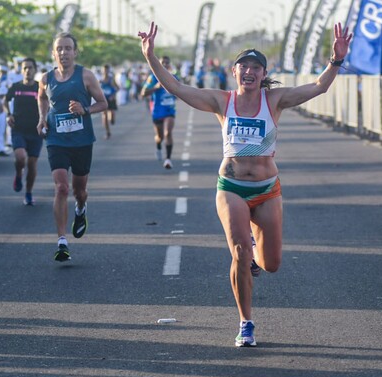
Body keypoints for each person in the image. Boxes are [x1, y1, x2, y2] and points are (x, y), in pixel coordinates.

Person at [138, 21, 352, 347]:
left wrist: (335, 61)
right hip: (232, 187)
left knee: (272, 264)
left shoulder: (275, 100)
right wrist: (151, 56)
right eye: (244, 66)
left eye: (256, 67)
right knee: (239, 251)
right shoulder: (222, 102)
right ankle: (246, 323)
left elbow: (318, 87)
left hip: (267, 190)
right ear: (234, 72)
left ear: (263, 73)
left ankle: (254, 253)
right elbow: (177, 89)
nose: (249, 71)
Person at [37, 32, 108, 262]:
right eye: (60, 48)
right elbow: (42, 98)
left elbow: (104, 103)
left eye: (68, 48)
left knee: (79, 191)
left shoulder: (86, 76)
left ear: (75, 52)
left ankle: (80, 209)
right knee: (61, 188)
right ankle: (62, 241)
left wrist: (84, 109)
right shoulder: (46, 78)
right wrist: (41, 118)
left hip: (82, 141)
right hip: (56, 140)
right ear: (53, 52)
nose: (64, 53)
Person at [5, 57, 43, 206]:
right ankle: (18, 174)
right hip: (19, 129)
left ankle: (28, 193)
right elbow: (5, 100)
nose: (28, 70)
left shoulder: (40, 88)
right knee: (20, 157)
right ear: (21, 71)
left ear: (35, 70)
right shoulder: (16, 87)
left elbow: (48, 104)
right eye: (25, 68)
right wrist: (9, 114)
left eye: (30, 68)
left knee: (32, 164)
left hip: (35, 131)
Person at [141, 55, 178, 169]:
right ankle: (158, 145)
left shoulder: (174, 77)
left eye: (167, 63)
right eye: (163, 63)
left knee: (168, 133)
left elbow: (181, 90)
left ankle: (168, 159)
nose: (165, 65)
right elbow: (143, 93)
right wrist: (156, 87)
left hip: (169, 110)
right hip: (157, 111)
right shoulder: (152, 78)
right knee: (160, 136)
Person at [99, 64, 119, 139]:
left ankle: (112, 120)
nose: (105, 72)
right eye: (104, 70)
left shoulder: (111, 79)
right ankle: (108, 132)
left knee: (112, 116)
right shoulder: (100, 80)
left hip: (111, 99)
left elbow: (117, 88)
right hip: (103, 99)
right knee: (104, 116)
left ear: (108, 70)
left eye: (106, 70)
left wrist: (113, 95)